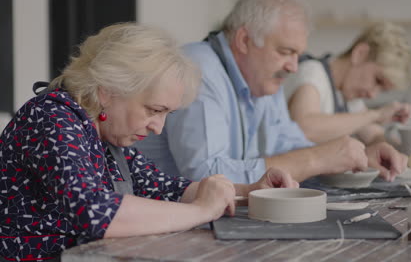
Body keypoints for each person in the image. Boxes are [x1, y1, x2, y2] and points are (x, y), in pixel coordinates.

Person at [0, 23, 298, 261]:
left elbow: (163, 187)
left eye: (167, 114)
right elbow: (93, 212)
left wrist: (249, 191)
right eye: (154, 111)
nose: (158, 127)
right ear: (107, 91)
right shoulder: (52, 118)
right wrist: (202, 211)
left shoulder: (103, 135)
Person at [137, 0, 407, 186]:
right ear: (244, 41)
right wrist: (317, 158)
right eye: (285, 51)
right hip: (161, 225)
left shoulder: (264, 80)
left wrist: (356, 155)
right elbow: (206, 175)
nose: (293, 66)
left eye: (297, 55)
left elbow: (287, 144)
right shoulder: (199, 70)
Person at [284, 22, 411, 145]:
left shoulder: (347, 95)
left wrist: (403, 147)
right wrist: (376, 115)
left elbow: (374, 136)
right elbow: (305, 128)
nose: (372, 95)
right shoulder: (312, 72)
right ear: (360, 54)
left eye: (382, 90)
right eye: (377, 80)